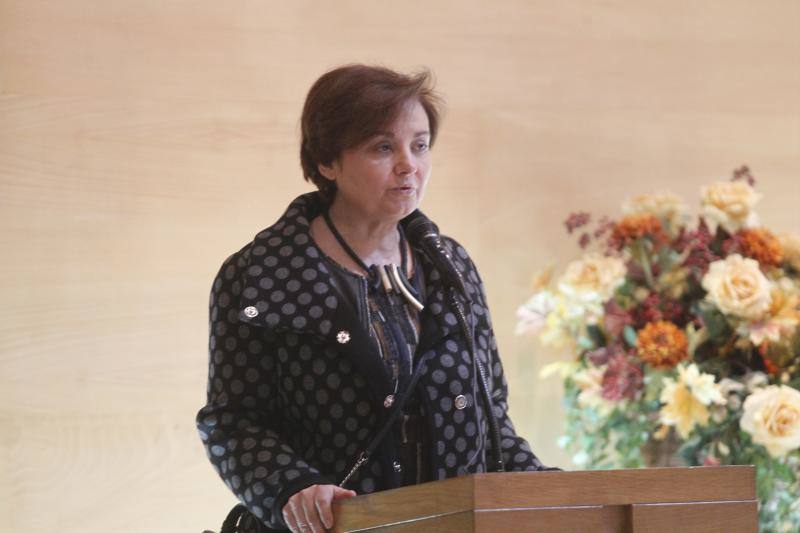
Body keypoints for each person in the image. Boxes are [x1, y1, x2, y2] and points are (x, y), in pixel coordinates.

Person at [196, 64, 555, 533]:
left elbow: (491, 424)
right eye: (383, 148)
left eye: (420, 145)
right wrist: (291, 487)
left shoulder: (451, 266)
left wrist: (561, 497)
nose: (409, 164)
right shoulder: (256, 276)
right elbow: (231, 422)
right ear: (327, 161)